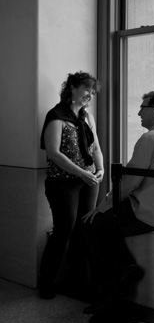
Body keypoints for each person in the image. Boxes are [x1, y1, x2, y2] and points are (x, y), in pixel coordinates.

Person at [82, 91, 154, 315]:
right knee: (107, 228)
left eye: (143, 107)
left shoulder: (150, 138)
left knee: (90, 226)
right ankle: (125, 270)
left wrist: (102, 206)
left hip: (145, 212)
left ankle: (110, 289)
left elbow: (129, 183)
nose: (139, 112)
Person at [39, 71, 103, 300]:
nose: (90, 95)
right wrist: (82, 174)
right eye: (87, 90)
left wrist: (101, 169)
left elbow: (95, 147)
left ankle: (78, 283)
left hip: (88, 181)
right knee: (63, 231)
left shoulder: (87, 117)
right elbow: (54, 153)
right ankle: (46, 284)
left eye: (93, 92)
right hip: (63, 183)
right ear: (73, 88)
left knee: (82, 231)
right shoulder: (56, 116)